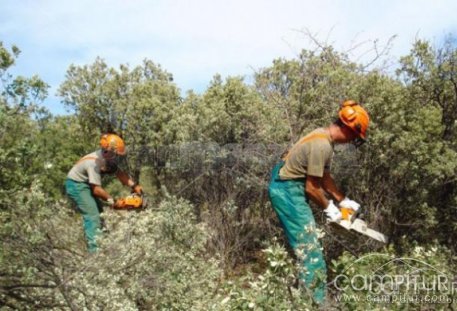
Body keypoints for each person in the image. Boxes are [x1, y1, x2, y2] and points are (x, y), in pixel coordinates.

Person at [268, 100, 369, 303]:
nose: (351, 141)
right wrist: (330, 209)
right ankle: (315, 303)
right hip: (287, 190)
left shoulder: (323, 137)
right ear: (348, 130)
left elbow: (323, 176)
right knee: (310, 251)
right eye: (354, 137)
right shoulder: (321, 144)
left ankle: (307, 297)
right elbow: (311, 187)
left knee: (308, 246)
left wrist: (343, 200)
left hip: (288, 185)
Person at [65, 133, 143, 253]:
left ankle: (104, 245)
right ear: (107, 151)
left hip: (86, 184)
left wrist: (134, 186)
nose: (117, 158)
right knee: (92, 214)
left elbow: (120, 174)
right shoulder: (94, 162)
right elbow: (96, 189)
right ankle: (95, 254)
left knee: (100, 213)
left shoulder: (109, 159)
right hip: (76, 185)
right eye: (116, 155)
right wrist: (114, 202)